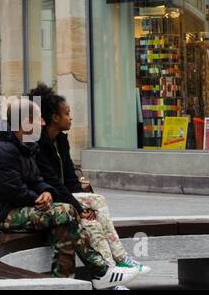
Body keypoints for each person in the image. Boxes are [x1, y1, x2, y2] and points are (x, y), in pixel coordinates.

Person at [0, 96, 140, 288]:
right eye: (38, 119)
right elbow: (13, 192)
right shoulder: (1, 150)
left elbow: (36, 179)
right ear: (25, 123)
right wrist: (38, 198)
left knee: (63, 225)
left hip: (15, 206)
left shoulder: (24, 144)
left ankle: (62, 282)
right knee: (65, 211)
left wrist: (46, 192)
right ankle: (101, 271)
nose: (42, 123)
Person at [28, 83, 148, 273]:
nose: (71, 117)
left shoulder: (61, 140)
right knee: (94, 211)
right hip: (50, 199)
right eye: (67, 113)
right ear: (55, 117)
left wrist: (83, 206)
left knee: (93, 216)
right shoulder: (38, 145)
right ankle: (112, 268)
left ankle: (115, 265)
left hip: (66, 198)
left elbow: (69, 178)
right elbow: (53, 183)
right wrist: (80, 208)